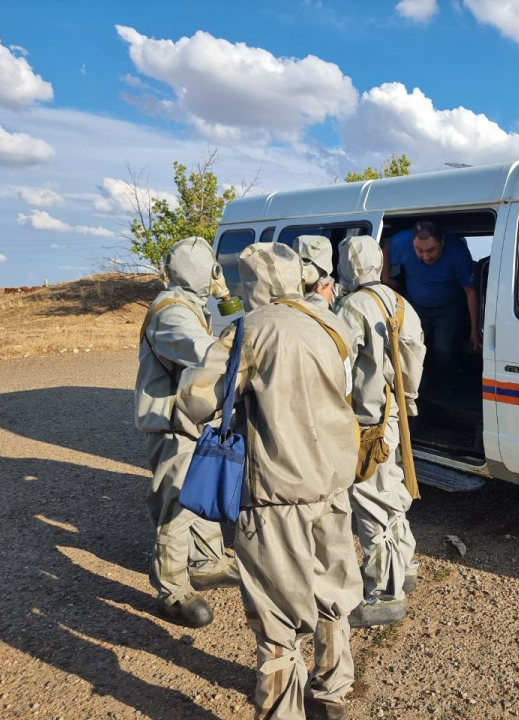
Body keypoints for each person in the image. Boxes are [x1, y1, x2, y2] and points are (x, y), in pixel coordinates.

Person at [177, 242, 363, 720]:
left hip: (275, 492)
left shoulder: (249, 331)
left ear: (251, 283)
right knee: (333, 589)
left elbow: (198, 400)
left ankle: (282, 711)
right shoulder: (333, 323)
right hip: (335, 483)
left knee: (276, 613)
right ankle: (333, 690)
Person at [134, 236, 239, 629]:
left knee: (202, 490)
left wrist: (228, 301)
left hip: (192, 419)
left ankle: (206, 561)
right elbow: (207, 353)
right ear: (208, 271)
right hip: (172, 423)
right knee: (175, 502)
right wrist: (243, 337)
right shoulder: (171, 313)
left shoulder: (190, 306)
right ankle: (171, 588)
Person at [336, 235, 425, 627]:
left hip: (366, 420)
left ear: (348, 265)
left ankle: (384, 593)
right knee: (393, 494)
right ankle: (403, 565)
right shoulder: (401, 304)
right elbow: (415, 357)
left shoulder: (351, 307)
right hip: (395, 417)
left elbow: (337, 365)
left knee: (371, 500)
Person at [381, 220, 480, 377]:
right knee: (411, 344)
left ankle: (445, 384)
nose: (425, 257)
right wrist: (385, 278)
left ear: (442, 241)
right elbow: (386, 247)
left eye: (431, 250)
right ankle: (418, 385)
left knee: (444, 348)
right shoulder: (403, 241)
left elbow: (470, 292)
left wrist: (475, 331)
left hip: (448, 307)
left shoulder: (457, 252)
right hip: (415, 304)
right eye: (419, 250)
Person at [294, 235, 336, 308]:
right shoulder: (287, 289)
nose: (300, 266)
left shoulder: (337, 296)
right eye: (296, 260)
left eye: (305, 260)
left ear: (323, 265)